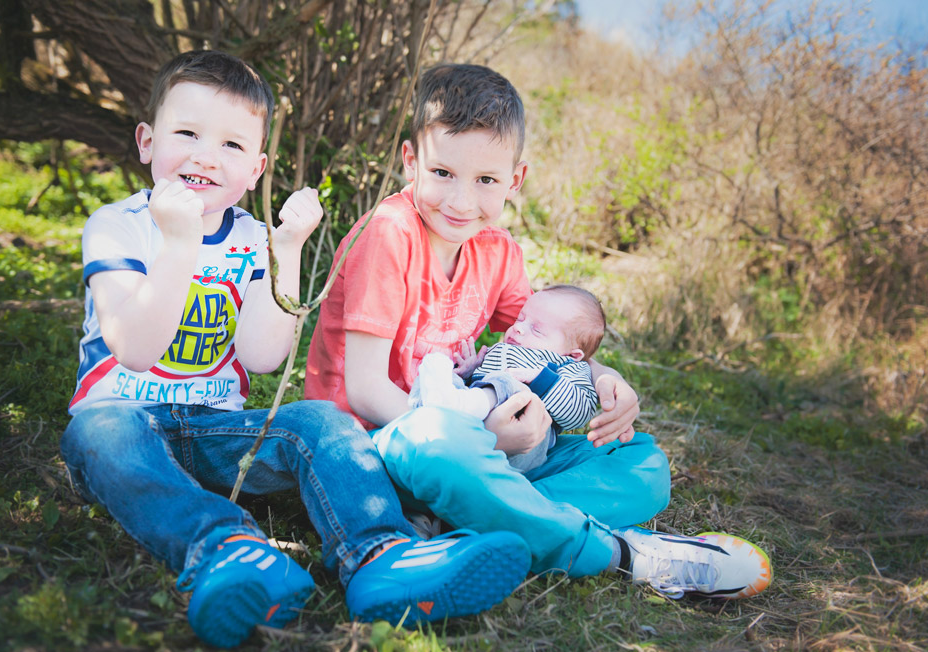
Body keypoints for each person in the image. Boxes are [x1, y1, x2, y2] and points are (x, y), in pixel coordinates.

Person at [60, 51, 533, 649]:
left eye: (232, 146)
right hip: (121, 423)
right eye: (187, 134)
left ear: (256, 170)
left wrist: (283, 251)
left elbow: (263, 357)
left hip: (216, 432)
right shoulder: (117, 225)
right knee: (99, 434)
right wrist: (179, 245)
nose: (207, 155)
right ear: (147, 141)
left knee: (322, 420)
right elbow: (133, 349)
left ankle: (381, 555)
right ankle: (227, 550)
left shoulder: (248, 237)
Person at [305, 62, 772, 600]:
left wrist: (602, 375)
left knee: (644, 464)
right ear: (412, 160)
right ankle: (623, 554)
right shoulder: (388, 235)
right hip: (384, 444)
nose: (460, 202)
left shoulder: (496, 252)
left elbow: (541, 339)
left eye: (485, 181)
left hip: (481, 450)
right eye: (442, 174)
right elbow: (364, 390)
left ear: (514, 180)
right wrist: (485, 439)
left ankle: (465, 523)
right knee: (441, 446)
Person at [409, 284, 606, 472]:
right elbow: (484, 381)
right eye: (520, 319)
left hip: (521, 440)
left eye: (536, 330)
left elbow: (580, 412)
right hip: (478, 417)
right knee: (441, 376)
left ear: (572, 355)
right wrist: (470, 370)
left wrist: (539, 379)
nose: (518, 328)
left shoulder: (569, 367)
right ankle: (429, 411)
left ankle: (457, 407)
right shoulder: (507, 349)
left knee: (513, 385)